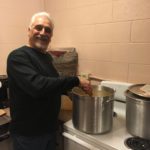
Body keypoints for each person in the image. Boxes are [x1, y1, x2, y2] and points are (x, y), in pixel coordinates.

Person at [7, 12, 91, 150]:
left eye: (48, 30)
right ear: (29, 31)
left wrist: (71, 92)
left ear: (51, 36)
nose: (43, 32)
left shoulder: (47, 58)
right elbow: (38, 86)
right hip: (29, 135)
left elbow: (52, 83)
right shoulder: (18, 56)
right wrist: (76, 80)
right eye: (38, 27)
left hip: (49, 129)